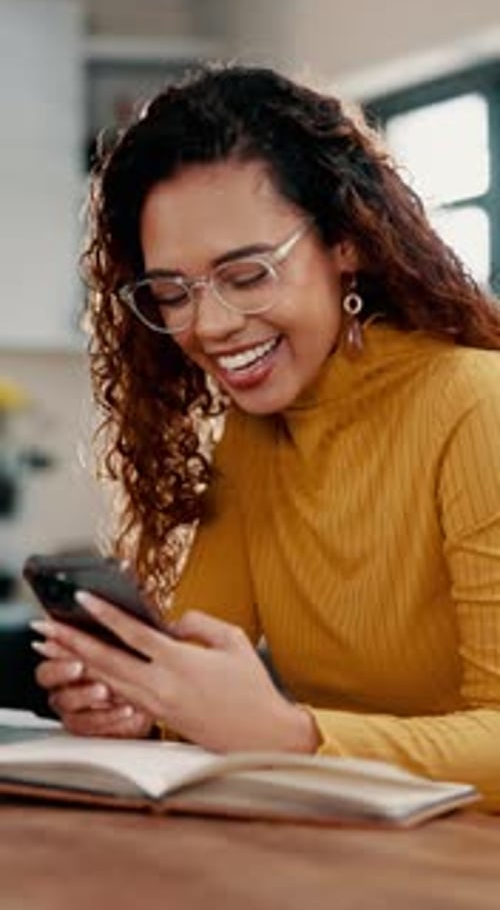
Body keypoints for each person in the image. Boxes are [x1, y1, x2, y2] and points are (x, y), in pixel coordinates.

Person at [32, 64, 500, 809]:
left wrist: (293, 735)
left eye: (246, 275)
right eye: (171, 292)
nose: (208, 326)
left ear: (345, 242)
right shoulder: (253, 437)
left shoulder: (478, 406)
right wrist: (142, 704)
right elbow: (200, 674)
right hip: (353, 850)